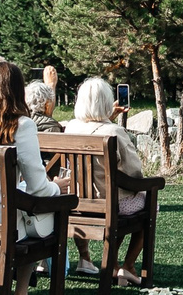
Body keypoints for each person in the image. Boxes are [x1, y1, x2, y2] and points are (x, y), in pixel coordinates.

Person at [0, 59, 65, 244]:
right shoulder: (22, 125)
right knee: (50, 214)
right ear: (18, 90)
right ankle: (24, 274)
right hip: (5, 225)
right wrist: (58, 187)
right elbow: (38, 188)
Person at [62, 76, 144, 278]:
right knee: (151, 202)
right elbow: (134, 172)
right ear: (108, 102)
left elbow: (93, 129)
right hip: (111, 204)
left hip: (76, 201)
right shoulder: (114, 131)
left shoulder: (71, 128)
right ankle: (125, 266)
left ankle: (88, 258)